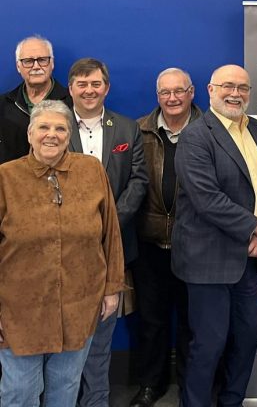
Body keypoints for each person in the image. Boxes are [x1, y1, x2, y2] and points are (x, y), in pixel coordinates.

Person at [0, 100, 125, 406]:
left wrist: (112, 289)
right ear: (30, 134)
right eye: (43, 127)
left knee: (65, 389)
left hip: (79, 303)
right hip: (20, 310)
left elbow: (111, 233)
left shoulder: (91, 171)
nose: (51, 135)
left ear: (70, 135)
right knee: (19, 393)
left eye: (60, 128)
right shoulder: (6, 177)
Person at [172, 64, 257, 407]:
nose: (236, 93)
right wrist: (254, 226)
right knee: (209, 345)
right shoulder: (196, 135)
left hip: (250, 257)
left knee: (247, 340)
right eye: (228, 86)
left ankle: (232, 402)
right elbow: (206, 198)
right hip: (208, 259)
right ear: (210, 90)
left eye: (243, 87)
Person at [66, 58, 148, 407]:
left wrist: (110, 221)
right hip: (65, 250)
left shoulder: (127, 129)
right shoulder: (52, 126)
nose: (89, 90)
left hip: (113, 249)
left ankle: (96, 401)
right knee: (66, 341)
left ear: (107, 88)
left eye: (96, 84)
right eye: (82, 84)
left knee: (102, 337)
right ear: (70, 88)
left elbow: (139, 181)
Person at [129, 67, 202, 407]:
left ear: (192, 93)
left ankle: (192, 386)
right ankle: (150, 385)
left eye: (179, 91)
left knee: (194, 322)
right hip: (150, 242)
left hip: (196, 245)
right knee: (151, 321)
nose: (172, 98)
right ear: (157, 96)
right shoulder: (138, 129)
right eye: (165, 93)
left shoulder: (209, 129)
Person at [0, 35, 72, 156]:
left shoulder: (71, 102)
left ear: (52, 63)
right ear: (18, 66)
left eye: (42, 60)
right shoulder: (2, 105)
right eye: (28, 61)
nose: (36, 66)